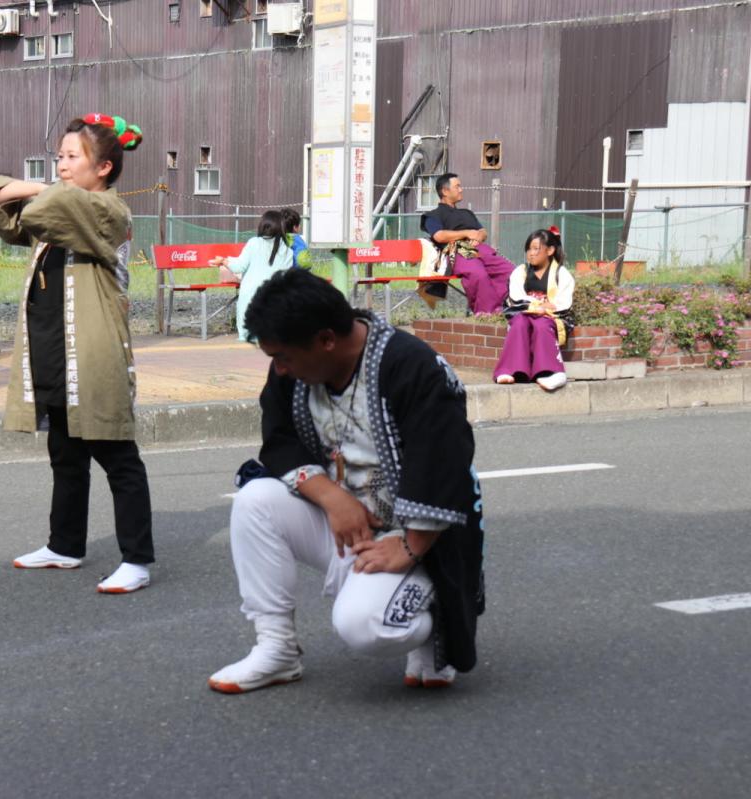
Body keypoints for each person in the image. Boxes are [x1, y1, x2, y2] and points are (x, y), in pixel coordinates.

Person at [207, 268, 485, 694]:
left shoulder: (412, 366)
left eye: (283, 357)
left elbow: (444, 463)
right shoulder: (297, 368)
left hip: (419, 534)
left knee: (364, 626)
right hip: (347, 523)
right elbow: (278, 440)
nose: (279, 370)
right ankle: (277, 649)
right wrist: (331, 497)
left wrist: (412, 546)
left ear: (326, 340)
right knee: (254, 501)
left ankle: (434, 622)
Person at [0, 113, 154, 594]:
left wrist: (29, 186)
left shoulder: (109, 211)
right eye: (60, 156)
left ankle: (137, 558)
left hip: (93, 354)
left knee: (117, 455)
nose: (63, 166)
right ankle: (64, 545)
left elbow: (46, 202)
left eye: (73, 157)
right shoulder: (60, 209)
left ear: (105, 168)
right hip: (53, 348)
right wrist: (27, 187)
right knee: (65, 453)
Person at [494, 227, 575, 391]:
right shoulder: (521, 271)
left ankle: (553, 372)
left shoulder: (562, 273)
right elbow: (516, 296)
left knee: (542, 325)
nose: (531, 253)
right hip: (526, 313)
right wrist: (538, 305)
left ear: (550, 250)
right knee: (519, 324)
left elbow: (562, 302)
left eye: (536, 249)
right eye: (529, 249)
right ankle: (511, 371)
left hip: (552, 317)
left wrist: (545, 309)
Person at [421, 173, 515, 314]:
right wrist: (466, 233)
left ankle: (507, 305)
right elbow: (439, 236)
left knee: (509, 270)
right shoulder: (433, 215)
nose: (461, 189)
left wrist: (478, 236)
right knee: (478, 274)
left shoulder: (467, 213)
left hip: (479, 248)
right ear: (445, 191)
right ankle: (487, 312)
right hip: (456, 249)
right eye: (457, 186)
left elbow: (482, 231)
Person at [209, 209, 293, 342]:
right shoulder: (288, 252)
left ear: (263, 226)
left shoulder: (254, 243)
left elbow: (239, 266)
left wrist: (223, 261)